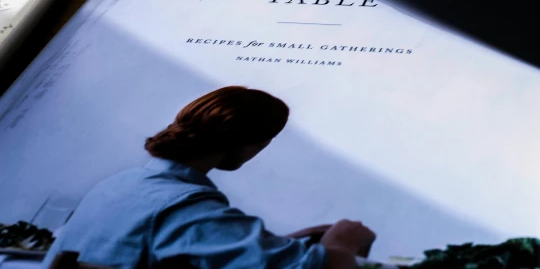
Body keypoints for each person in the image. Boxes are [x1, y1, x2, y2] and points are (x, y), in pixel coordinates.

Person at [41, 86, 376, 269]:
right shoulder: (184, 207)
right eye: (263, 142)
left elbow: (175, 247)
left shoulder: (117, 187)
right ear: (247, 141)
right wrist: (342, 241)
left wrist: (285, 239)